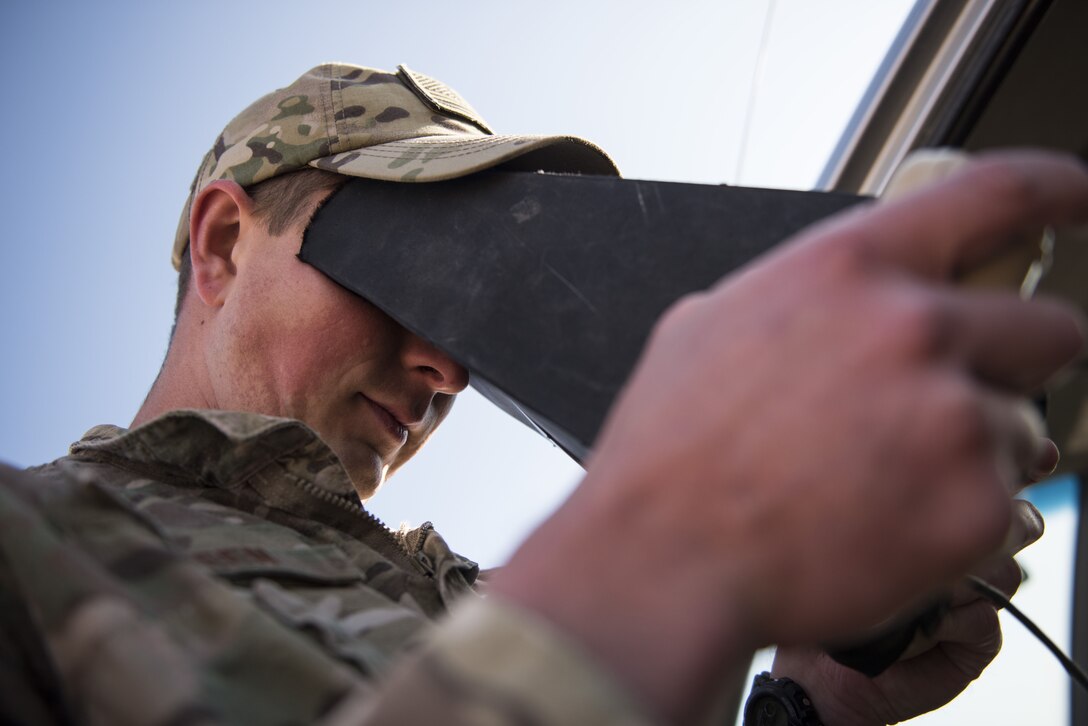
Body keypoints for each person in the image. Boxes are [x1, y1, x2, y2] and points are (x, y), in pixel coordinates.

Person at [1, 62, 1084, 726]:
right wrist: (679, 546)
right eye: (406, 272)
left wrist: (802, 710)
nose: (451, 368)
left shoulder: (482, 601)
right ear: (227, 242)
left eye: (481, 297)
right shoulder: (29, 551)